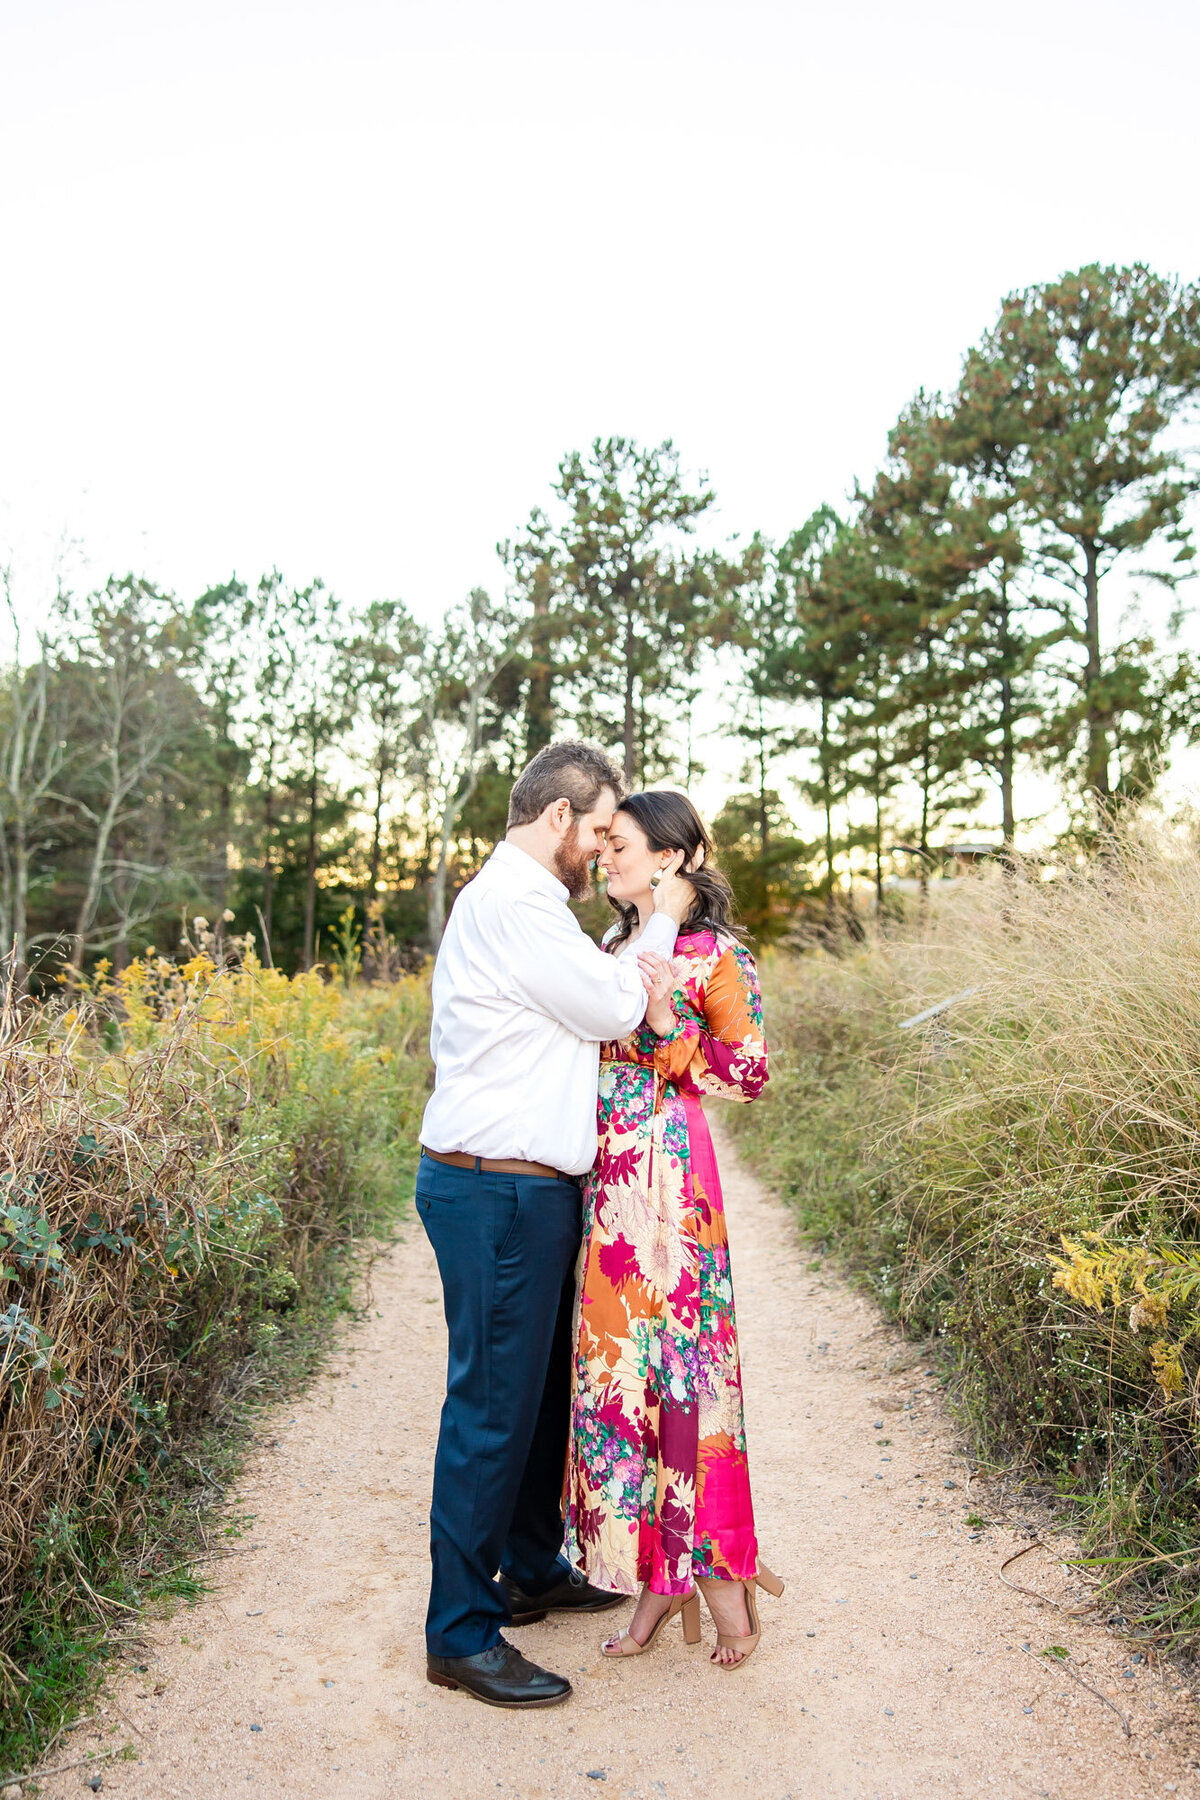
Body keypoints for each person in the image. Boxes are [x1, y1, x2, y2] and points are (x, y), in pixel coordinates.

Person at [418, 741, 695, 1709]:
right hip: (496, 1190)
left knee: (535, 1397)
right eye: (602, 832)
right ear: (558, 822)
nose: (603, 851)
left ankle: (530, 1567)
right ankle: (459, 1634)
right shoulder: (516, 905)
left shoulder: (527, 907)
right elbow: (618, 1005)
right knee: (491, 1413)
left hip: (525, 1189)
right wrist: (662, 919)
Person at [565, 790, 782, 1670]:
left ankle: (719, 1583)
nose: (605, 858)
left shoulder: (716, 954)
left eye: (620, 846)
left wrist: (665, 1027)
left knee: (684, 1376)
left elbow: (750, 1074)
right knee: (623, 1378)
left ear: (672, 856)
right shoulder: (616, 945)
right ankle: (656, 1573)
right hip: (607, 1180)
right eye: (605, 844)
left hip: (670, 1184)